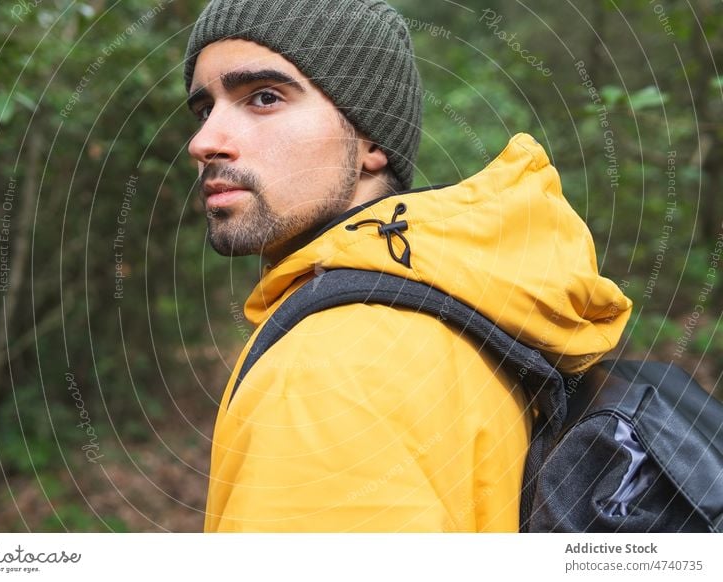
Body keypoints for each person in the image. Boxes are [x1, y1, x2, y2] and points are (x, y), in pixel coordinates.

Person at [184, 0, 632, 532]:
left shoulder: (330, 371)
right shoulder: (460, 301)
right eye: (204, 109)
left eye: (263, 97)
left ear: (371, 138)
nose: (204, 142)